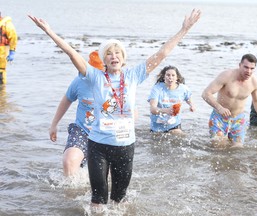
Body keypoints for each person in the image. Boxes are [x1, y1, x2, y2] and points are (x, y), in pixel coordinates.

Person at [28, 9, 201, 207]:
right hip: (98, 145)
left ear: (123, 58)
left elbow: (162, 54)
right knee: (98, 201)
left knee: (120, 200)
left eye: (117, 52)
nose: (113, 56)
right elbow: (71, 53)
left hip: (125, 146)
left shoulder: (134, 75)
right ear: (104, 60)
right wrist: (49, 31)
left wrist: (184, 29)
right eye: (108, 53)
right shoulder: (95, 77)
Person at [49, 51, 103, 177]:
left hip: (107, 132)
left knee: (106, 175)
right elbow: (67, 99)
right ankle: (70, 193)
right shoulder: (79, 81)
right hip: (82, 130)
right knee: (69, 161)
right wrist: (54, 124)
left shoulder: (116, 82)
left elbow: (131, 108)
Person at [202, 54, 257, 149]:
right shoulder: (226, 76)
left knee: (238, 149)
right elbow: (206, 94)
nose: (249, 71)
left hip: (238, 120)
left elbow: (256, 100)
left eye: (252, 68)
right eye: (246, 67)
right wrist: (219, 108)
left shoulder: (255, 81)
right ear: (240, 65)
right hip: (219, 118)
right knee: (219, 147)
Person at [148, 65, 195, 134]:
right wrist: (167, 111)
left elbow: (188, 97)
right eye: (168, 75)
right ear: (163, 76)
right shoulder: (157, 89)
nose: (170, 77)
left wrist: (191, 105)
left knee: (179, 135)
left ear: (177, 78)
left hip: (174, 124)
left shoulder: (183, 88)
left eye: (173, 75)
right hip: (157, 125)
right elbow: (152, 109)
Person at [0, 12, 17, 84]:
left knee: (1, 78)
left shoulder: (6, 25)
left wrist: (12, 51)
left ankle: (2, 94)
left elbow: (13, 37)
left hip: (1, 55)